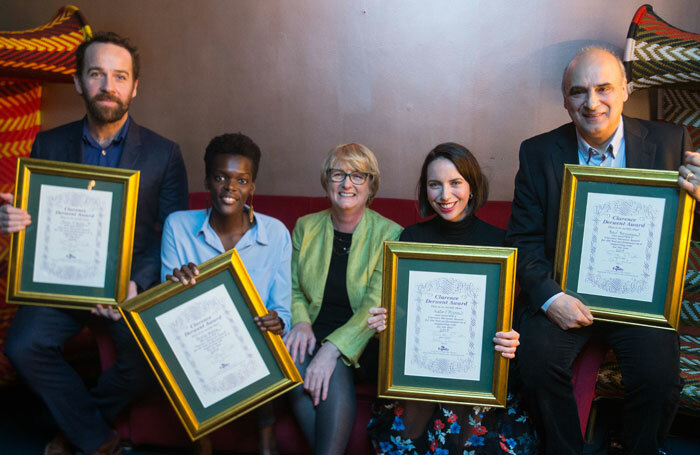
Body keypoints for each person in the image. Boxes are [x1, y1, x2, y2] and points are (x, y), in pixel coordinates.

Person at [505, 46, 700, 455]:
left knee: (660, 377)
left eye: (604, 88)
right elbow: (523, 240)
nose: (591, 103)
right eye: (578, 92)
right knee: (536, 361)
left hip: (641, 299)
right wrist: (550, 298)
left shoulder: (669, 142)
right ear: (564, 99)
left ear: (626, 90)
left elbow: (685, 232)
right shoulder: (537, 152)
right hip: (566, 292)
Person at [1, 32, 189, 455]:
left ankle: (76, 432)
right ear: (78, 82)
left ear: (134, 87)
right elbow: (38, 220)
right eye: (97, 74)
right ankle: (96, 438)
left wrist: (135, 283)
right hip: (60, 281)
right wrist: (13, 222)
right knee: (22, 346)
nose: (109, 85)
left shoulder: (164, 153)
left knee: (145, 365)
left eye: (119, 76)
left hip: (126, 289)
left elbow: (170, 232)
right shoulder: (49, 143)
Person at [365, 142, 538, 454]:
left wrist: (514, 337)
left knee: (468, 435)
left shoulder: (500, 244)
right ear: (425, 190)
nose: (445, 196)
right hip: (424, 373)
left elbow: (512, 316)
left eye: (455, 183)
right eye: (435, 185)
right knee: (410, 432)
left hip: (478, 375)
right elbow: (405, 317)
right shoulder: (411, 240)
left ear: (472, 186)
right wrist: (388, 324)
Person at [161, 132, 291, 455]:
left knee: (260, 335)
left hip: (253, 340)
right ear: (207, 180)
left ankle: (266, 438)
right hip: (197, 338)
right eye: (220, 177)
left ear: (252, 186)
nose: (230, 188)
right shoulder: (178, 225)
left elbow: (282, 309)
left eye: (241, 180)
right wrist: (173, 285)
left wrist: (278, 321)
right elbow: (164, 311)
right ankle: (202, 440)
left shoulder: (275, 233)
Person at [283, 143, 402, 454]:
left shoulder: (390, 234)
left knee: (331, 369)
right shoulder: (305, 227)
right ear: (326, 181)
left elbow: (373, 305)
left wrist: (330, 351)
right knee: (290, 361)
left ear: (371, 184)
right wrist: (300, 322)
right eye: (338, 174)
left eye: (358, 176)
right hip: (313, 329)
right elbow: (293, 288)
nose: (347, 184)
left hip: (361, 340)